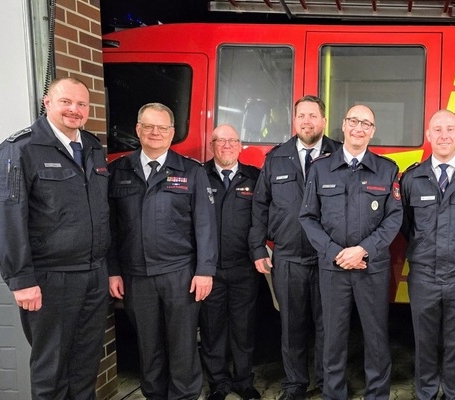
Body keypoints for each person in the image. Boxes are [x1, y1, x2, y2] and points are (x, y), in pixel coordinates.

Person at [0, 76, 110, 400]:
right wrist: (20, 278)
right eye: (66, 102)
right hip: (50, 280)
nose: (74, 110)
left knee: (85, 368)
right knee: (51, 372)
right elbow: (7, 216)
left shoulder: (94, 148)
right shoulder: (20, 148)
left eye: (81, 104)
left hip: (93, 275)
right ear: (47, 103)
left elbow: (100, 211)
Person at [107, 102, 217, 400]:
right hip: (136, 277)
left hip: (179, 275)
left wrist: (205, 270)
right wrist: (113, 270)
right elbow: (111, 229)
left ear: (172, 133)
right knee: (148, 347)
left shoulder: (191, 171)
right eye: (149, 126)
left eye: (162, 128)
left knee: (182, 347)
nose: (156, 133)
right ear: (138, 130)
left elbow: (206, 226)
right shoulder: (118, 170)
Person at [299, 104, 403, 400]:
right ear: (343, 126)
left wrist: (363, 250)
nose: (359, 128)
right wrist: (336, 253)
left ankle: (377, 394)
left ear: (373, 131)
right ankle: (334, 394)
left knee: (376, 337)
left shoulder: (387, 169)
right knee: (333, 338)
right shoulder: (320, 168)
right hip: (334, 269)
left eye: (366, 124)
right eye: (354, 121)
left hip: (372, 267)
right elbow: (307, 217)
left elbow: (394, 218)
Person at [250, 95, 341, 400]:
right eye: (301, 115)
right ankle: (295, 384)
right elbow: (260, 205)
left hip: (328, 257)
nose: (307, 121)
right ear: (294, 120)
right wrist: (258, 249)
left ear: (324, 120)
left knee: (329, 325)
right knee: (291, 326)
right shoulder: (276, 157)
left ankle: (329, 382)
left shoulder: (339, 154)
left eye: (313, 116)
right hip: (287, 257)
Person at [400, 110, 455, 399]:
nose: (444, 135)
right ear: (428, 135)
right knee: (424, 341)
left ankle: (454, 393)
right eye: (437, 130)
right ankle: (425, 393)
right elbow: (406, 226)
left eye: (450, 129)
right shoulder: (412, 178)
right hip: (424, 274)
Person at [199, 124, 262, 400]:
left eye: (232, 141)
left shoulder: (255, 177)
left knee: (243, 328)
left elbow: (263, 219)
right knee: (212, 330)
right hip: (208, 270)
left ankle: (244, 382)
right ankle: (218, 384)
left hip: (243, 268)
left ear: (240, 146)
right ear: (211, 145)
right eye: (220, 141)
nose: (226, 145)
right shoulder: (198, 175)